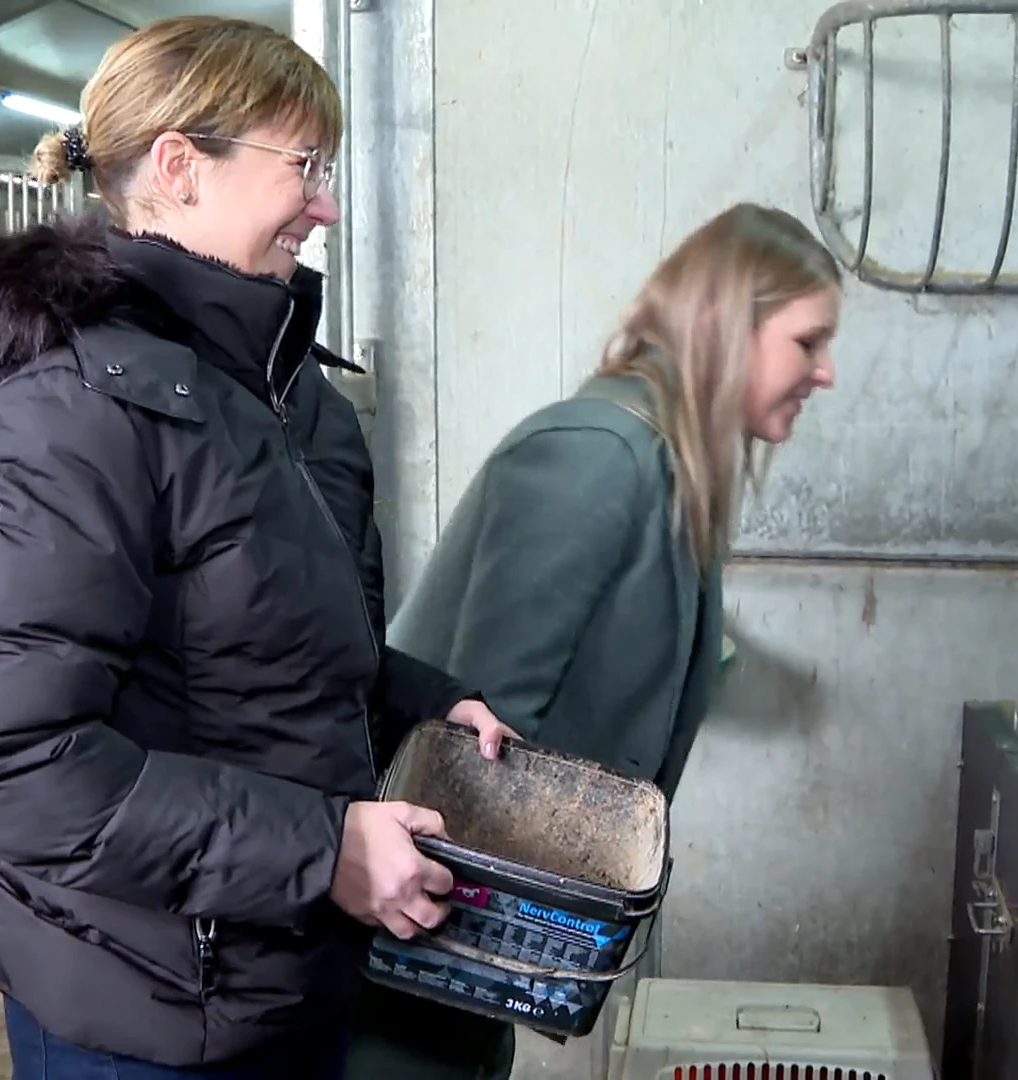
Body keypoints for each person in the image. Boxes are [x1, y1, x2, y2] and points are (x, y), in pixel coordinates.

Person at [0, 16, 511, 1079]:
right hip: (141, 1015)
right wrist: (322, 851)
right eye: (304, 167)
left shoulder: (288, 397)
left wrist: (418, 703)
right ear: (181, 167)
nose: (324, 205)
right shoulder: (64, 411)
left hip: (286, 985)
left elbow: (258, 650)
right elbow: (19, 763)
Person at [343, 202, 844, 1079]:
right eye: (808, 343)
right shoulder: (599, 456)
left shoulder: (663, 466)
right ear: (732, 328)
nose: (826, 372)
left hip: (462, 967)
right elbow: (482, 745)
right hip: (419, 968)